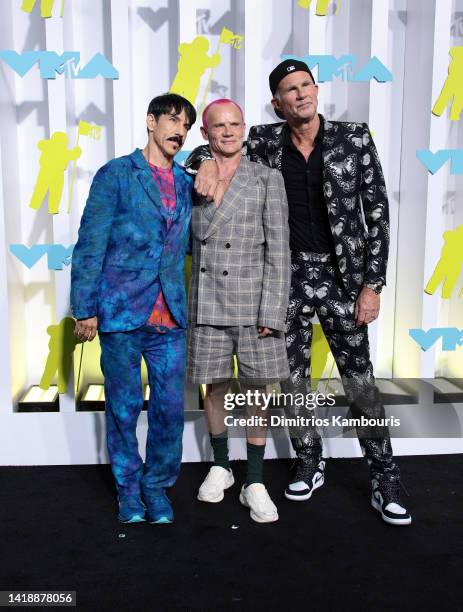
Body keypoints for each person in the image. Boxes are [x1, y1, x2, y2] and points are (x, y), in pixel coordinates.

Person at [187, 60, 412, 526]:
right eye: (289, 90)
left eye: (305, 85)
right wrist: (204, 160)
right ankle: (309, 458)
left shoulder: (355, 137)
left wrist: (373, 285)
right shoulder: (266, 141)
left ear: (315, 89)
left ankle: (384, 473)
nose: (300, 94)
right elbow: (214, 148)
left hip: (343, 279)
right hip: (289, 277)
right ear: (277, 103)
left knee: (360, 379)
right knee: (292, 380)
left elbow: (379, 215)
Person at [71, 93, 196, 524]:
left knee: (169, 410)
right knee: (123, 407)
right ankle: (128, 491)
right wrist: (85, 307)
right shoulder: (116, 175)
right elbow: (90, 242)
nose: (180, 130)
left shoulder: (185, 182)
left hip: (170, 317)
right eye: (173, 120)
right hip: (121, 312)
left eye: (186, 124)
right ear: (150, 121)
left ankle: (157, 487)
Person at [187, 98, 290, 523]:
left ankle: (254, 480)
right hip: (207, 298)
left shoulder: (267, 178)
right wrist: (201, 163)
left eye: (234, 124)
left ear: (244, 128)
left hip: (254, 304)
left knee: (256, 393)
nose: (228, 132)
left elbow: (279, 251)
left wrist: (273, 311)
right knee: (214, 387)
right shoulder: (191, 175)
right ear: (205, 133)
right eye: (218, 126)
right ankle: (220, 466)